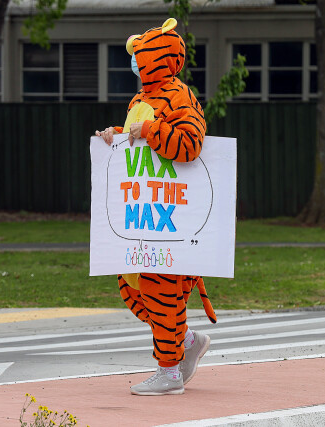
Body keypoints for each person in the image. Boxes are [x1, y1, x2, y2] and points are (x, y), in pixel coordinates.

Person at [95, 18, 216, 396]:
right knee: (132, 288)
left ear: (156, 58)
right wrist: (116, 136)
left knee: (160, 291)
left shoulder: (180, 96)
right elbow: (141, 143)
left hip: (171, 220)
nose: (134, 60)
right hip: (142, 217)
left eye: (139, 54)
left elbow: (190, 144)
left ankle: (169, 372)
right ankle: (187, 341)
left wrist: (148, 131)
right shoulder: (139, 100)